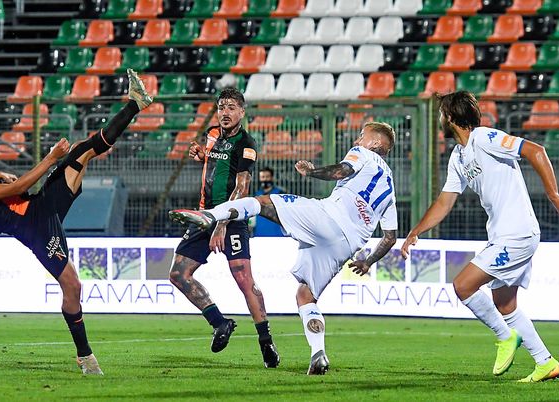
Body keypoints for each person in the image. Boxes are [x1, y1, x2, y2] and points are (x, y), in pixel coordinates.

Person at [0, 69, 153, 375]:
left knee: (85, 150)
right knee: (73, 287)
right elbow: (14, 190)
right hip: (36, 227)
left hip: (41, 206)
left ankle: (136, 102)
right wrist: (50, 158)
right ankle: (85, 356)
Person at [170, 122, 398, 375]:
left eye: (361, 136)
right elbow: (390, 237)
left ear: (375, 143)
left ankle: (211, 216)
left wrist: (312, 172)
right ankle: (318, 353)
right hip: (348, 244)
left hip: (328, 218)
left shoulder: (364, 154)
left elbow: (341, 171)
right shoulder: (390, 189)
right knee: (306, 296)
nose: (357, 140)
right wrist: (367, 262)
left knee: (262, 202)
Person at [400, 91, 559, 382]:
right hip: (503, 236)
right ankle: (546, 363)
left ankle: (505, 337)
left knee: (462, 285)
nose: (439, 120)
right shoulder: (458, 157)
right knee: (505, 304)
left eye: (441, 114)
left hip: (517, 233)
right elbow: (445, 200)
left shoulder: (484, 138)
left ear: (452, 117)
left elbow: (536, 151)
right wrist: (416, 231)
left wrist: (553, 194)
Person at [168, 87, 280, 368]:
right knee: (178, 274)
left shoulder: (247, 143)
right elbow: (209, 162)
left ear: (242, 112)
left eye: (231, 107)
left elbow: (242, 187)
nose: (225, 112)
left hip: (231, 218)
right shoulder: (212, 134)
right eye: (221, 107)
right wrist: (198, 154)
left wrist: (222, 223)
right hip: (204, 215)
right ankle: (220, 323)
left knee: (243, 280)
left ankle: (266, 342)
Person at [251, 167, 284, 237]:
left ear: (272, 178)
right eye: (262, 177)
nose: (265, 179)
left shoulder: (280, 194)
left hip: (278, 235)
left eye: (267, 177)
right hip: (259, 234)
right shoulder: (256, 194)